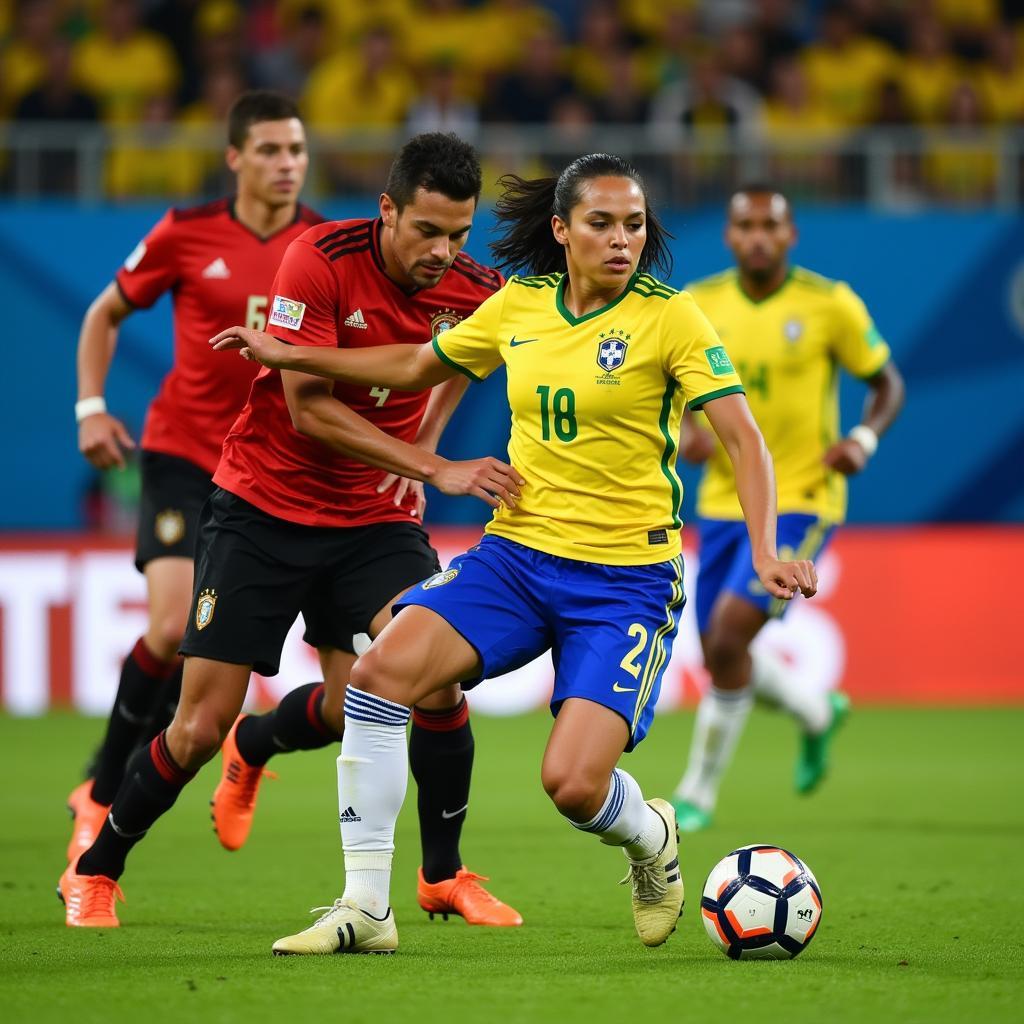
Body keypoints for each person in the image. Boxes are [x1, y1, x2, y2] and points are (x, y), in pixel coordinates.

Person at [210, 153, 818, 955]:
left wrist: (767, 548)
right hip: (518, 557)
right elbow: (417, 365)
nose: (621, 239)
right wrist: (296, 355)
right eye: (601, 223)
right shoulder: (519, 305)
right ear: (562, 230)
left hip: (624, 580)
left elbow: (744, 439)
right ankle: (366, 908)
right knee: (379, 674)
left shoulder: (670, 317)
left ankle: (651, 839)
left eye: (633, 224)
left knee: (571, 786)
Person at [59, 132, 525, 932]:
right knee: (198, 725)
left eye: (459, 233)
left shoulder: (478, 289)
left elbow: (453, 367)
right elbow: (308, 406)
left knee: (431, 682)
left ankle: (440, 874)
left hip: (373, 522)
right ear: (387, 210)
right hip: (263, 509)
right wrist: (428, 467)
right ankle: (96, 871)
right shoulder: (318, 257)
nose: (444, 252)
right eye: (427, 232)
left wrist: (421, 456)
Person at [68, 89, 321, 864]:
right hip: (185, 453)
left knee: (237, 675)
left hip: (274, 474)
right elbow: (105, 312)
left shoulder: (324, 245)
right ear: (236, 157)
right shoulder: (186, 232)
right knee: (172, 626)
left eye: (297, 151)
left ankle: (231, 752)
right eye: (272, 151)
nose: (287, 165)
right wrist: (89, 407)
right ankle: (102, 788)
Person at [670, 186, 905, 832]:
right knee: (722, 652)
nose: (757, 237)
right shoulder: (698, 304)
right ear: (728, 235)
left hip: (803, 499)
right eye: (745, 225)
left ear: (791, 234)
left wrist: (863, 438)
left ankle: (699, 790)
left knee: (728, 633)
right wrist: (687, 429)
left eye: (770, 225)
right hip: (722, 504)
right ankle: (816, 710)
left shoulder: (829, 304)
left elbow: (887, 381)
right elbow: (676, 391)